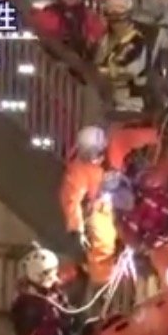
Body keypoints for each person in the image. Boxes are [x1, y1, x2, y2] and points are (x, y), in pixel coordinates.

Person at [59, 126, 119, 296]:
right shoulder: (78, 170)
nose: (92, 157)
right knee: (102, 249)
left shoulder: (114, 155)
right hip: (102, 211)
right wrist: (76, 229)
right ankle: (102, 289)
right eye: (88, 153)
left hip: (123, 205)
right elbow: (71, 200)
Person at [10, 247, 95, 335]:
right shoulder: (27, 305)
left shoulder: (49, 289)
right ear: (40, 276)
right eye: (51, 274)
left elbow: (66, 306)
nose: (55, 277)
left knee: (86, 321)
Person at [94, 0, 151, 113]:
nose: (116, 24)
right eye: (112, 19)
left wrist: (101, 72)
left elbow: (128, 71)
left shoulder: (137, 41)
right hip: (103, 98)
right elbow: (97, 60)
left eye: (120, 19)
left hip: (129, 103)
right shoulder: (105, 39)